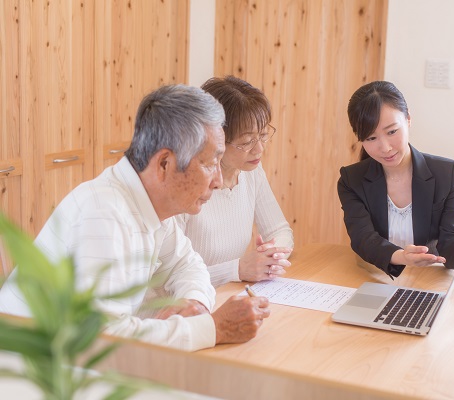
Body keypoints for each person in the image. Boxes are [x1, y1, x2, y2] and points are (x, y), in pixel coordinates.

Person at [0, 84, 270, 351]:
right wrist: (214, 328)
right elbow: (102, 340)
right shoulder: (104, 213)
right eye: (210, 164)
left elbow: (187, 265)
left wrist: (193, 304)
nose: (219, 181)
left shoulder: (151, 205)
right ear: (164, 164)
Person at [337, 81, 454, 278]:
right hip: (373, 276)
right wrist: (402, 257)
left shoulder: (448, 174)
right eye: (371, 138)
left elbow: (449, 241)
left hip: (428, 279)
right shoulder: (352, 180)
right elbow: (363, 239)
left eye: (392, 131)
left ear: (408, 119)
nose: (385, 147)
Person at [177, 76, 293, 288]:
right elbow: (167, 280)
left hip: (230, 294)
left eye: (263, 135)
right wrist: (237, 269)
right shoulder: (184, 184)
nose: (259, 149)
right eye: (247, 142)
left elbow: (280, 230)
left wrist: (270, 257)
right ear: (215, 139)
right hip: (182, 309)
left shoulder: (251, 172)